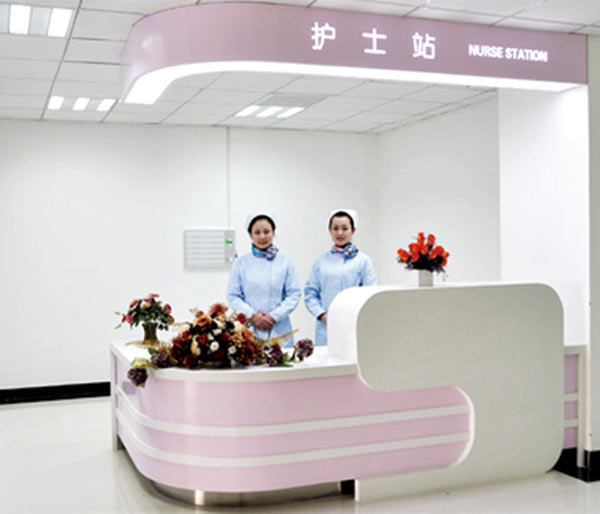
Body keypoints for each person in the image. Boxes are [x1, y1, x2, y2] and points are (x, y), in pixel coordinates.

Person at [227, 212, 301, 347]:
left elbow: (294, 294)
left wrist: (274, 316)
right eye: (257, 232)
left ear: (273, 233)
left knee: (281, 358)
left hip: (280, 329)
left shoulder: (285, 262)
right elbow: (233, 296)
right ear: (251, 235)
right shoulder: (241, 263)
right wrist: (253, 316)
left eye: (266, 231)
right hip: (250, 329)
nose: (262, 236)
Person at [304, 209, 377, 346]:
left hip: (354, 324)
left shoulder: (363, 261)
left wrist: (355, 316)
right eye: (335, 228)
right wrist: (323, 315)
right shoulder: (321, 262)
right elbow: (310, 294)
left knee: (353, 356)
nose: (340, 233)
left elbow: (370, 294)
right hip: (326, 327)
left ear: (353, 230)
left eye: (345, 228)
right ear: (330, 230)